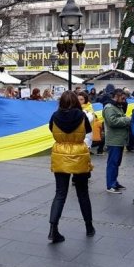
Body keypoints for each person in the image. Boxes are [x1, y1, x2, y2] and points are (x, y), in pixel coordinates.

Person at [47, 91, 94, 243]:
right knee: (83, 192)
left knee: (60, 193)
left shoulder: (55, 116)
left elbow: (51, 129)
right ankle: (89, 226)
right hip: (79, 154)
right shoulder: (82, 116)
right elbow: (88, 130)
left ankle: (53, 229)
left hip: (60, 154)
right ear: (75, 102)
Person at [103, 89, 131, 194]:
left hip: (118, 140)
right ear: (116, 96)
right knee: (113, 163)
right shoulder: (110, 108)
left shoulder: (117, 107)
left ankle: (114, 182)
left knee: (116, 163)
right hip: (113, 140)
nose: (124, 100)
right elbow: (112, 122)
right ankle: (110, 185)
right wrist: (128, 119)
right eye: (123, 98)